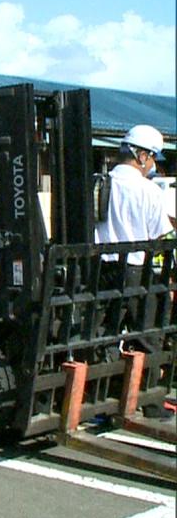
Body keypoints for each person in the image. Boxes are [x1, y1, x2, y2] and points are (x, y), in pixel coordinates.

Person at [94, 124, 174, 364]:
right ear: (141, 155)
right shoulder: (149, 191)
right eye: (152, 159)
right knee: (147, 337)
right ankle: (146, 394)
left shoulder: (99, 184)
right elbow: (159, 235)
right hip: (136, 272)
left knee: (100, 335)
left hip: (101, 270)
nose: (153, 166)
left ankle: (99, 382)